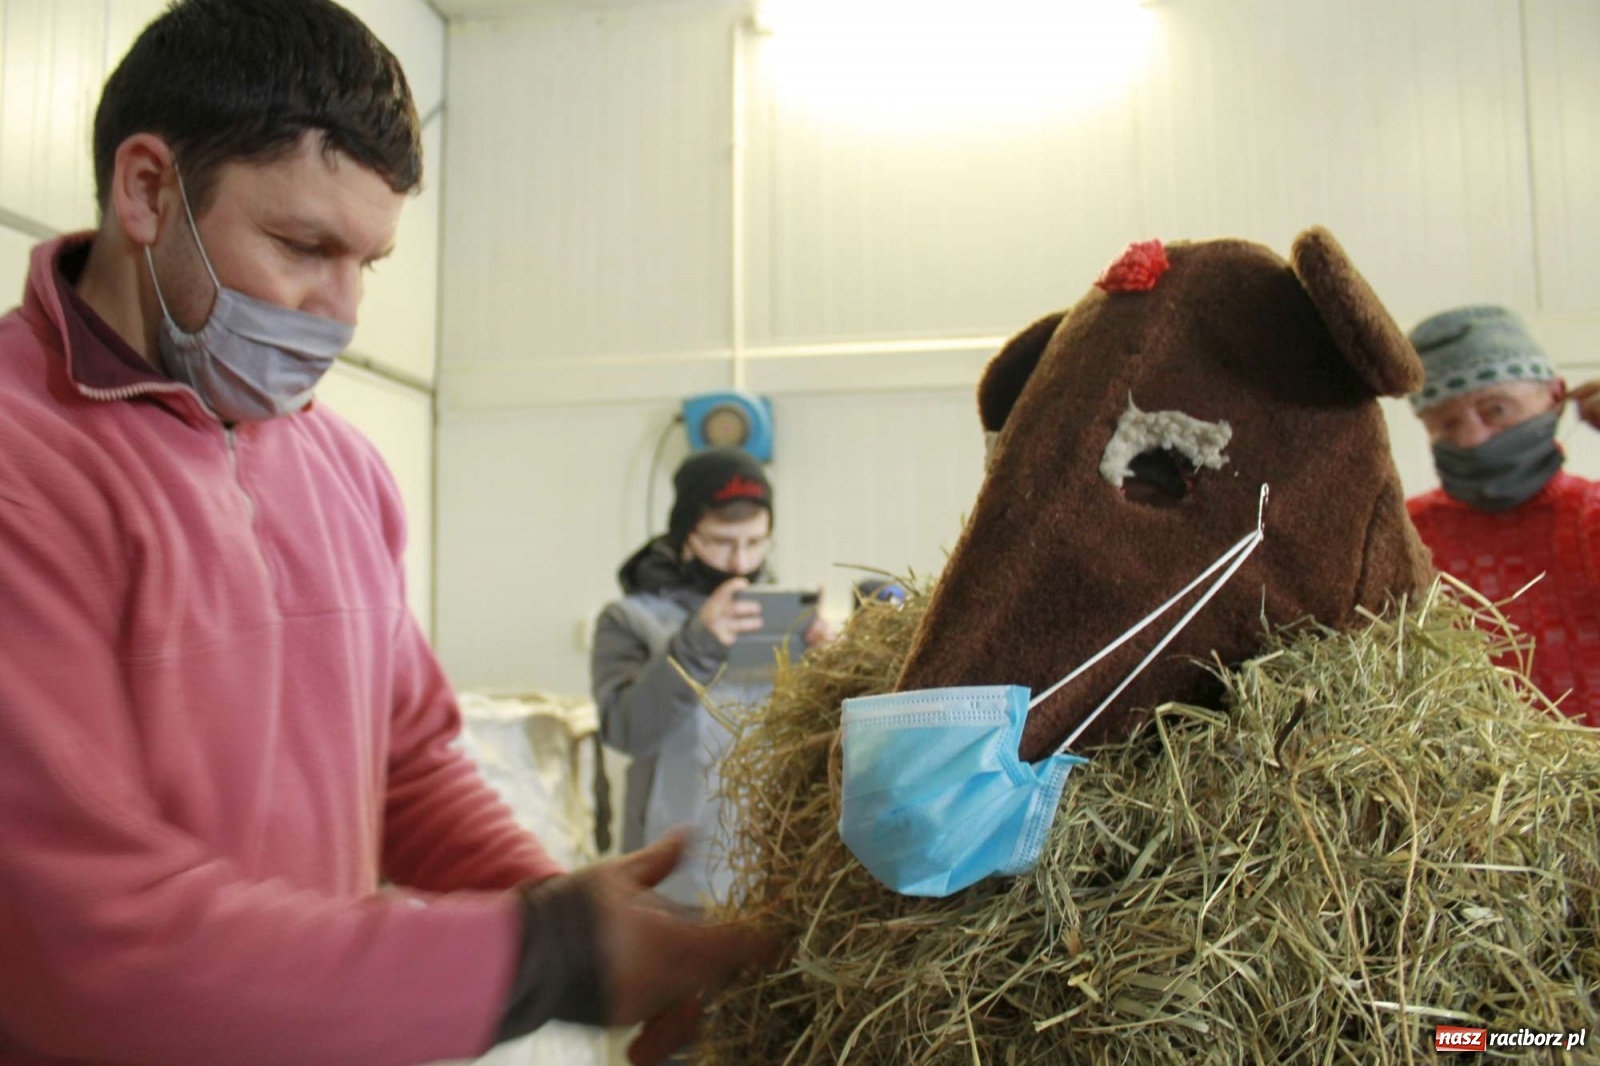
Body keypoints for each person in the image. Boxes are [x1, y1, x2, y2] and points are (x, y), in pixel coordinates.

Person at [0, 3, 766, 1064]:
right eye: (304, 246)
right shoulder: (21, 472)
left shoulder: (341, 470)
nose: (341, 312)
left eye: (372, 262)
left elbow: (408, 764)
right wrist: (544, 953)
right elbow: (77, 941)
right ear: (147, 190)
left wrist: (552, 900)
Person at [592, 447, 831, 906]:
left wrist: (826, 668)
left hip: (769, 866)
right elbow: (626, 731)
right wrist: (696, 645)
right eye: (722, 542)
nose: (741, 562)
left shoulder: (783, 618)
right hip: (670, 875)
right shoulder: (629, 620)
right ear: (685, 535)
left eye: (756, 543)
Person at [1404, 305, 1600, 727]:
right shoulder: (1408, 533)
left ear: (1554, 395)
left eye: (1496, 410)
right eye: (1447, 424)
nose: (1473, 438)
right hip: (1477, 786)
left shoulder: (1591, 516)